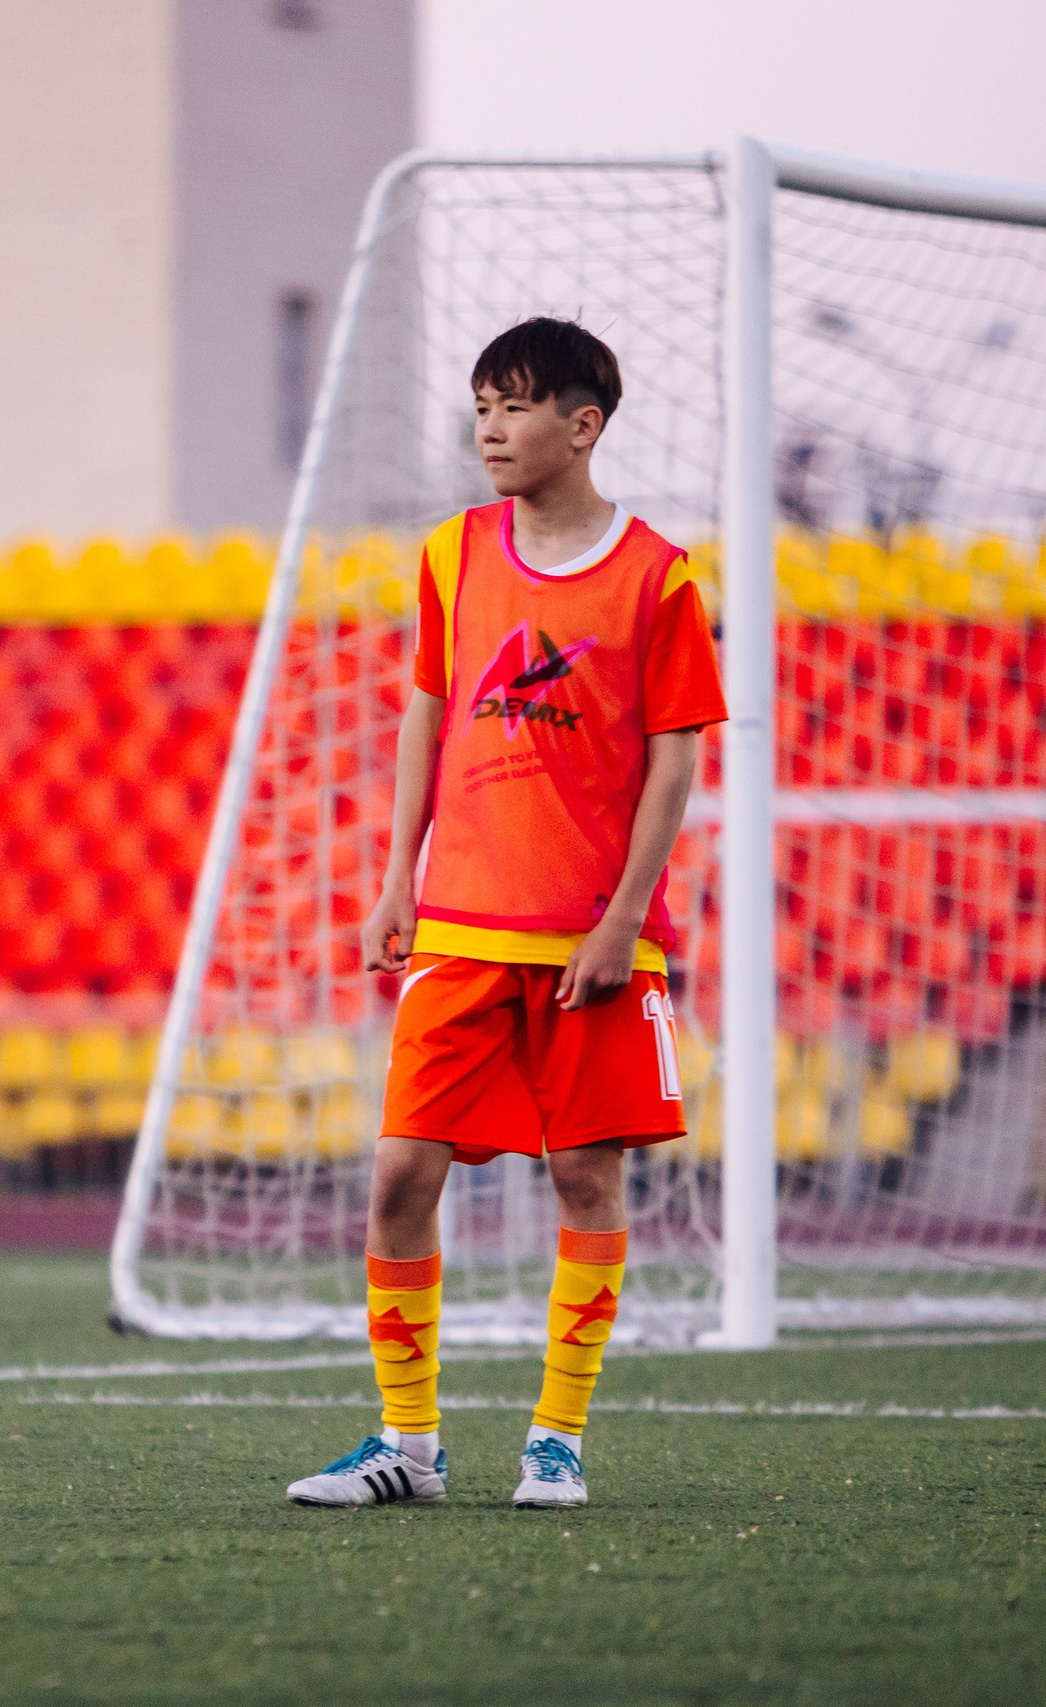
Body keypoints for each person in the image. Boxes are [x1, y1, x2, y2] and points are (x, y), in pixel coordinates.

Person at [285, 317, 725, 1513]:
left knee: (584, 1179)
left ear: (582, 426)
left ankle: (556, 1442)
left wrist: (621, 920)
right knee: (398, 1175)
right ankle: (408, 1445)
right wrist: (396, 878)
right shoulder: (452, 552)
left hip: (590, 937)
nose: (488, 427)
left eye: (515, 406)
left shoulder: (659, 576)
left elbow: (676, 758)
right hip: (460, 927)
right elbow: (426, 714)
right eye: (481, 405)